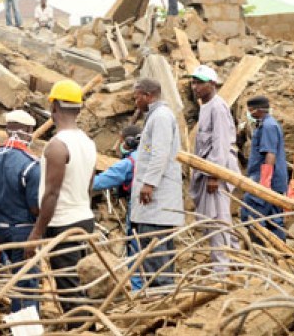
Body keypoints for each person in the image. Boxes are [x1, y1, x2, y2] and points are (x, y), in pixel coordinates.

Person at [26, 80, 97, 317]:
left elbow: (52, 194)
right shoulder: (88, 143)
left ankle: (81, 331)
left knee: (69, 291)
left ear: (54, 107)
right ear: (78, 109)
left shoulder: (57, 146)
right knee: (79, 285)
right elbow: (89, 186)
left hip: (63, 224)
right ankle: (89, 328)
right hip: (84, 218)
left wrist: (36, 233)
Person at [0, 110, 40, 312]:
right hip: (23, 232)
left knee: (9, 281)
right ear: (27, 130)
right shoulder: (30, 164)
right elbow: (35, 206)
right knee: (25, 287)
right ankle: (26, 332)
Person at [130, 78, 184, 287]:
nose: (136, 103)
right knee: (158, 250)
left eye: (137, 98)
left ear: (147, 96)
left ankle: (161, 296)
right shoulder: (156, 116)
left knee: (155, 251)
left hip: (156, 198)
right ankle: (164, 295)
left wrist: (149, 184)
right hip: (155, 201)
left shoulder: (160, 117)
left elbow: (160, 154)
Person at [188, 65, 240, 273]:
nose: (195, 87)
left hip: (216, 174)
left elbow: (221, 144)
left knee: (218, 220)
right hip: (208, 172)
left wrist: (214, 175)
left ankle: (222, 268)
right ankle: (236, 261)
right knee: (218, 219)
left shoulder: (218, 107)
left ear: (212, 84)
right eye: (193, 82)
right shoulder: (206, 106)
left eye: (199, 82)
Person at [92, 125, 143, 290]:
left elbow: (99, 182)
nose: (117, 146)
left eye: (120, 141)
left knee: (135, 252)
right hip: (155, 212)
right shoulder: (149, 156)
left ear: (129, 141)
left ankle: (138, 291)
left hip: (138, 211)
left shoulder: (130, 162)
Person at [241, 96, 287, 241]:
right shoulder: (269, 124)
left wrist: (264, 183)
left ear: (257, 110)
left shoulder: (268, 126)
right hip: (274, 182)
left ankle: (262, 254)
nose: (249, 114)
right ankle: (281, 258)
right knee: (274, 221)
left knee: (251, 217)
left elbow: (270, 154)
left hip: (265, 182)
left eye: (249, 111)